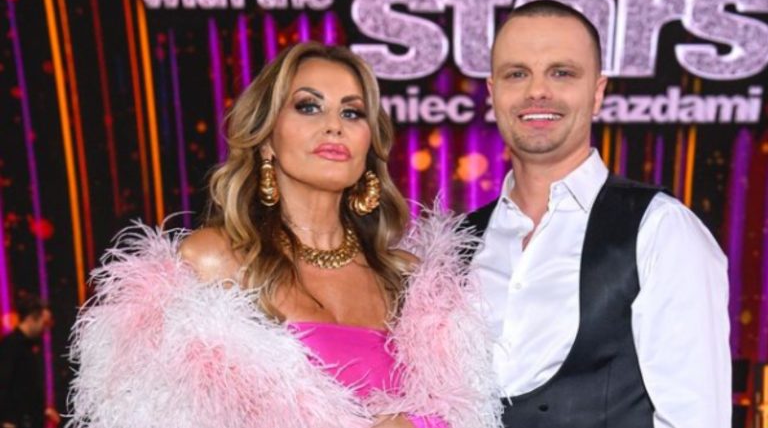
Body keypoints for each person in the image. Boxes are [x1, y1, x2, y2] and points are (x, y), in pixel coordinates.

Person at [67, 42, 501, 428]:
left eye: (352, 112)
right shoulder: (213, 260)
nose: (334, 126)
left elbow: (464, 412)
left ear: (369, 143)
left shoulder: (411, 283)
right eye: (309, 107)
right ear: (267, 139)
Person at [465, 0, 730, 428]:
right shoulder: (458, 243)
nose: (537, 91)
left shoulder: (660, 229)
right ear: (493, 92)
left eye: (562, 73)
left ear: (598, 92)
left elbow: (695, 418)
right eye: (517, 74)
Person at [0, 293, 59, 428]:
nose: (45, 329)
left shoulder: (29, 347)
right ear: (31, 318)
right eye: (44, 323)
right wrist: (6, 421)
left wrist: (44, 410)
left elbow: (28, 388)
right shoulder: (11, 345)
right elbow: (3, 385)